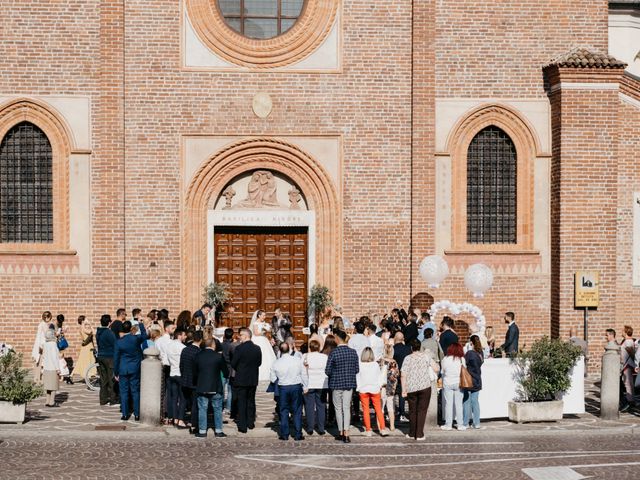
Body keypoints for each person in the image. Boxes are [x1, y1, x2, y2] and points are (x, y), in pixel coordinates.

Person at [325, 329, 359, 443]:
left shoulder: (334, 352)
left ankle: (341, 432)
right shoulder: (353, 352)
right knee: (346, 408)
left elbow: (327, 370)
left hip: (336, 383)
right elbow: (356, 369)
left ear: (337, 338)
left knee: (338, 408)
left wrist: (336, 373)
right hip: (349, 383)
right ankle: (347, 433)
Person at [401, 340, 438, 440]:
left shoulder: (407, 358)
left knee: (412, 411)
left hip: (411, 387)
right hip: (425, 386)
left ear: (411, 348)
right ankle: (419, 434)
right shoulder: (426, 357)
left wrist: (403, 389)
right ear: (420, 347)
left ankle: (412, 433)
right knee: (422, 411)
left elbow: (403, 375)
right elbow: (436, 368)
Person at [193, 336, 229, 438]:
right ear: (213, 345)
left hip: (202, 386)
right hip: (215, 386)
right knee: (217, 409)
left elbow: (194, 372)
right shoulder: (218, 356)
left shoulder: (198, 356)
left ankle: (202, 431)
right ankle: (218, 431)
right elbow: (226, 372)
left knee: (202, 409)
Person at [113, 320, 147, 421]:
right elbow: (144, 335)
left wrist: (116, 372)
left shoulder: (119, 342)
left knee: (124, 392)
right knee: (135, 391)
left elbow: (116, 358)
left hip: (123, 368)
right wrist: (141, 324)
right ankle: (137, 414)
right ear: (131, 328)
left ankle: (124, 414)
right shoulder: (136, 339)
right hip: (135, 368)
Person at [271, 342, 306, 441]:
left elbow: (273, 378)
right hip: (296, 386)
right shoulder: (297, 360)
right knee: (297, 410)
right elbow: (303, 374)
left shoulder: (276, 363)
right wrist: (305, 386)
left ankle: (285, 434)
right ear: (289, 350)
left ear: (280, 351)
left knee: (283, 411)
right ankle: (298, 434)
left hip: (283, 387)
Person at [231, 327, 262, 434]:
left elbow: (234, 363)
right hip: (252, 378)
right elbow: (259, 363)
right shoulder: (257, 348)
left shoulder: (239, 349)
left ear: (245, 336)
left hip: (241, 378)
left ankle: (243, 425)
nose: (239, 338)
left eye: (241, 335)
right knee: (251, 401)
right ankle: (250, 422)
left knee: (242, 402)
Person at [357, 347, 388, 436]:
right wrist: (379, 386)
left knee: (365, 410)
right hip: (374, 389)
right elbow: (379, 377)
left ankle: (368, 430)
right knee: (378, 409)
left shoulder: (360, 365)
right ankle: (382, 429)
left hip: (363, 389)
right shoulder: (375, 365)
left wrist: (358, 388)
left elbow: (358, 377)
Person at [302, 339, 328, 436]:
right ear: (319, 347)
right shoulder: (324, 357)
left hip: (310, 383)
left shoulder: (305, 356)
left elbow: (303, 371)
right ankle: (321, 428)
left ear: (310, 348)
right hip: (321, 383)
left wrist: (304, 385)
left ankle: (310, 427)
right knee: (321, 406)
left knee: (309, 406)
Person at [180, 330, 203, 434]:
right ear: (201, 340)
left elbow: (181, 365)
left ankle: (180, 419)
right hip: (195, 382)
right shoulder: (199, 352)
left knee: (184, 401)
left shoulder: (185, 350)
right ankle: (194, 425)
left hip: (185, 380)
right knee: (195, 404)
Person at [441, 342, 466, 431]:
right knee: (459, 404)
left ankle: (448, 425)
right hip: (459, 383)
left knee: (448, 404)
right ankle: (460, 424)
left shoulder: (445, 359)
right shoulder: (461, 359)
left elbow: (442, 371)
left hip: (448, 382)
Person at [166, 328, 187, 428]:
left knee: (174, 397)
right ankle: (180, 420)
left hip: (172, 373)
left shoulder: (169, 345)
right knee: (183, 398)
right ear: (179, 336)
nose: (185, 337)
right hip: (180, 374)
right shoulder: (182, 347)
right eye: (184, 335)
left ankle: (174, 418)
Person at [462, 335, 484, 429]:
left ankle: (466, 423)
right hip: (478, 379)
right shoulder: (480, 353)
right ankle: (477, 423)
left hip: (469, 379)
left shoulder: (470, 353)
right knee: (475, 402)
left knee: (467, 401)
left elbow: (464, 363)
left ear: (471, 342)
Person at [96, 314, 118, 406]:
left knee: (103, 379)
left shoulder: (98, 332)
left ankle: (103, 399)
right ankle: (113, 399)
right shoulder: (109, 333)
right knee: (111, 379)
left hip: (100, 356)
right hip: (109, 357)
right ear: (109, 323)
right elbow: (115, 344)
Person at [249, 310, 277, 382]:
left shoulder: (264, 323)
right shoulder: (255, 323)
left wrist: (269, 335)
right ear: (259, 315)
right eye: (263, 315)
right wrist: (263, 332)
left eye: (265, 315)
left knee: (267, 355)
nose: (265, 317)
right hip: (257, 340)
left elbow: (267, 333)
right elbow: (255, 333)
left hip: (264, 340)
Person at [380, 342, 400, 431]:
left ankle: (381, 425)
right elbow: (396, 374)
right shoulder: (394, 363)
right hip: (391, 386)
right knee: (391, 407)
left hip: (382, 386)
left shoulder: (381, 361)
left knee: (381, 407)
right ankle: (392, 426)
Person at [393, 331, 412, 423]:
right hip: (405, 373)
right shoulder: (408, 349)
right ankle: (402, 413)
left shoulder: (392, 349)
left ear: (395, 339)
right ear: (403, 339)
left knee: (391, 394)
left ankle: (391, 413)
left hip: (394, 374)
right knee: (402, 394)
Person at [32, 311, 52, 383]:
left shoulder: (42, 324)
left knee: (40, 362)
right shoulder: (43, 324)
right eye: (47, 317)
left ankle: (38, 378)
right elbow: (46, 335)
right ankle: (38, 379)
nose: (48, 319)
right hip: (42, 345)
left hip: (41, 344)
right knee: (40, 362)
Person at [220, 328, 237, 415]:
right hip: (231, 369)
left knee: (222, 389)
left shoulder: (221, 345)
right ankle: (229, 408)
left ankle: (222, 407)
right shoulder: (234, 346)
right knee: (230, 390)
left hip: (223, 369)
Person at [42, 329, 61, 407]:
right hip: (53, 368)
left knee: (48, 386)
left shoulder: (45, 344)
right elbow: (54, 358)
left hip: (46, 367)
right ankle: (52, 402)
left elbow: (44, 356)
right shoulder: (53, 344)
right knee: (53, 386)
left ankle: (47, 401)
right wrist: (58, 368)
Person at [620, 325, 637, 407]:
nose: (621, 332)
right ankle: (631, 399)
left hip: (628, 364)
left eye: (622, 330)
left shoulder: (628, 342)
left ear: (626, 332)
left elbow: (632, 353)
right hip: (627, 364)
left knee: (628, 383)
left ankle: (630, 401)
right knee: (628, 382)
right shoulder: (626, 341)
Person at [74, 315, 94, 382]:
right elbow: (92, 332)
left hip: (86, 346)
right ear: (83, 321)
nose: (87, 320)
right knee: (88, 361)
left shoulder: (82, 327)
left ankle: (88, 374)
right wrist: (90, 325)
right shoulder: (83, 328)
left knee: (85, 360)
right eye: (86, 319)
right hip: (87, 347)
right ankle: (87, 375)